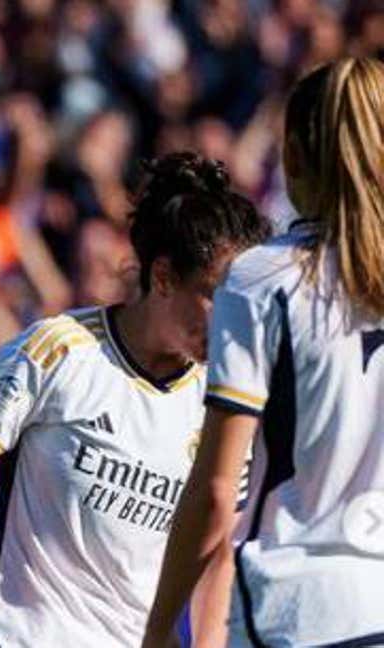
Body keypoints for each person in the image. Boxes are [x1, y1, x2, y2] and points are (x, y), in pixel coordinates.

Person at [0, 152, 267, 648]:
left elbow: (216, 548)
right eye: (215, 298)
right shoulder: (63, 351)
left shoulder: (222, 401)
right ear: (162, 277)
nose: (232, 323)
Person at [144, 58, 384, 648]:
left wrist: (156, 630)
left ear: (295, 157)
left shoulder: (264, 279)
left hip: (295, 608)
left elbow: (217, 488)